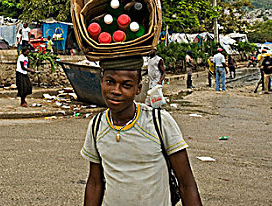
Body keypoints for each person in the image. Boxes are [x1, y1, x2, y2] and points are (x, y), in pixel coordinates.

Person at [81, 57, 202, 206]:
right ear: (101, 82)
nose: (116, 91)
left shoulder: (159, 122)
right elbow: (95, 183)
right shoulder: (97, 125)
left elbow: (186, 183)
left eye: (126, 85)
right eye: (110, 82)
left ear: (138, 88)